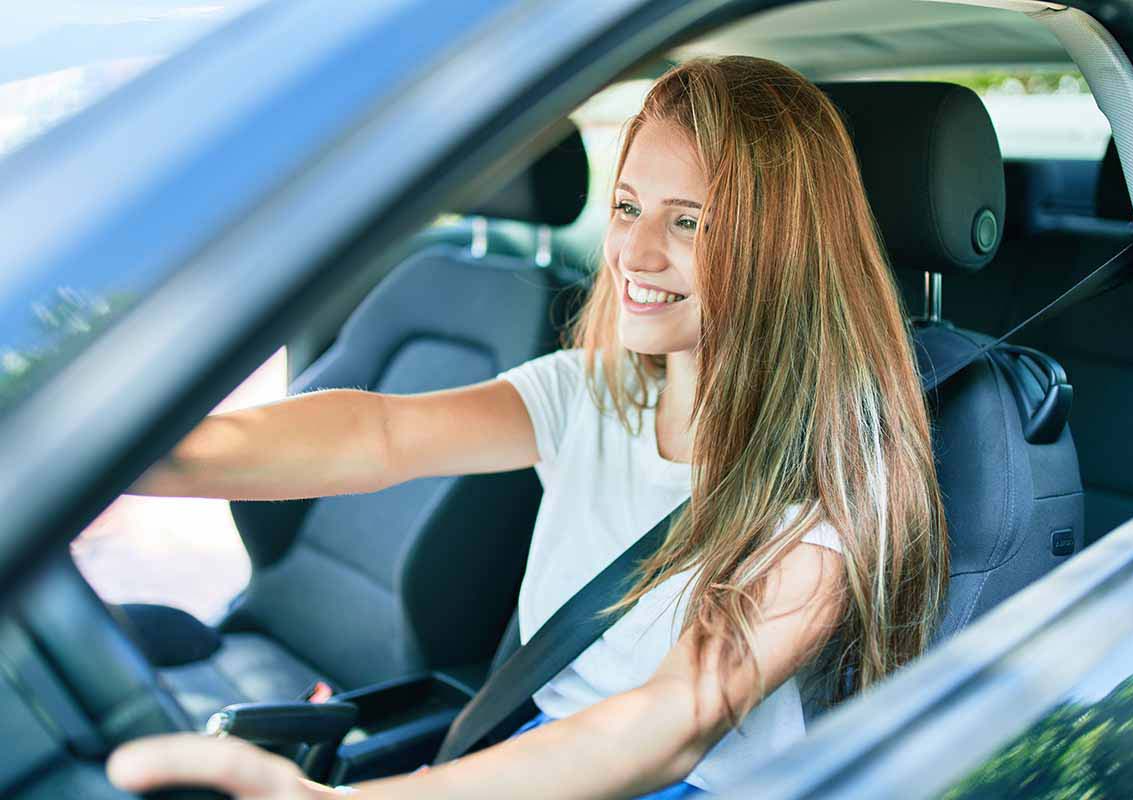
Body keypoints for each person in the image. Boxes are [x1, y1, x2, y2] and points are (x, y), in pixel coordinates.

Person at [106, 55, 948, 799]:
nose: (635, 253)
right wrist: (131, 457)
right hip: (541, 750)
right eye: (627, 207)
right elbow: (380, 436)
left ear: (782, 244)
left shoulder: (831, 478)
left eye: (689, 221)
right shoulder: (597, 393)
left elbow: (672, 724)